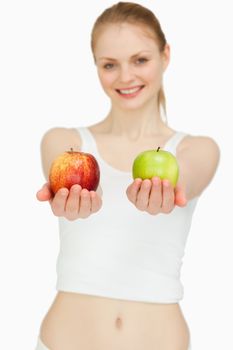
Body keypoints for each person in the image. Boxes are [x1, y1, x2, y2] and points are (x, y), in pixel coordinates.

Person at [35, 2, 220, 350]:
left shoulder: (197, 149)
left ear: (165, 56)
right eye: (109, 65)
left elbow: (185, 179)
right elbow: (89, 182)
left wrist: (172, 190)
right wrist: (86, 197)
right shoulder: (65, 141)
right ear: (95, 67)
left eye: (140, 60)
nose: (125, 77)